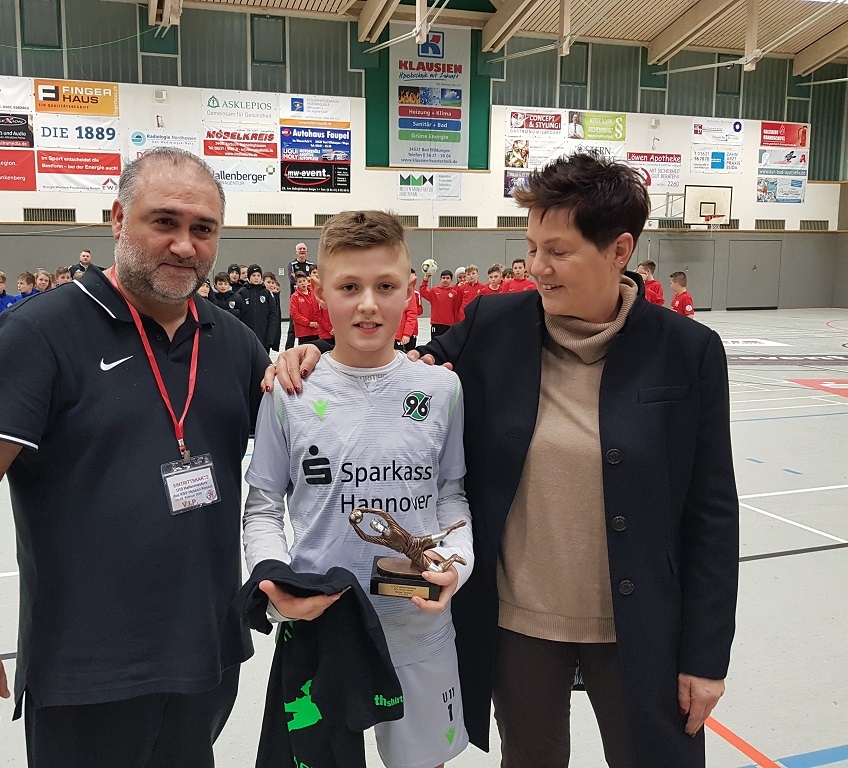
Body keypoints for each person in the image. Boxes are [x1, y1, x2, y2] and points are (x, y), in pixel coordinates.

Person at [270, 151, 739, 768]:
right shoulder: (494, 324)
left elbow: (712, 511)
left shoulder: (687, 351)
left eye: (558, 251)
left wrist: (706, 656)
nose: (536, 266)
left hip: (642, 623)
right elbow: (398, 370)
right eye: (532, 247)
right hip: (521, 625)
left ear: (619, 251)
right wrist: (311, 357)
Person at [0, 146, 271, 768]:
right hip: (86, 670)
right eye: (164, 221)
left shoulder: (234, 342)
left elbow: (299, 459)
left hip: (207, 656)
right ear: (117, 219)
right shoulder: (39, 333)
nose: (185, 245)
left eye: (203, 228)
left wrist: (311, 366)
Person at [244, 209, 473, 768]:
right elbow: (264, 507)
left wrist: (457, 565)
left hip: (418, 627)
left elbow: (450, 495)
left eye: (385, 286)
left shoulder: (441, 390)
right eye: (349, 287)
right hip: (322, 628)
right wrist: (275, 579)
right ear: (320, 293)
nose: (368, 304)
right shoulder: (289, 390)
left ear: (411, 291)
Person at [236, 264, 277, 351]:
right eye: (253, 275)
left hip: (263, 337)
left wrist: (270, 338)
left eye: (258, 275)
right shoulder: (242, 293)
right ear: (249, 276)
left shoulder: (267, 294)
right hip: (246, 336)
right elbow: (237, 315)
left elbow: (273, 315)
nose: (256, 278)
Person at [285, 242, 316, 350]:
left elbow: (313, 279)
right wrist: (305, 278)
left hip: (308, 297)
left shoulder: (310, 264)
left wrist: (303, 278)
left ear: (307, 251)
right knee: (292, 326)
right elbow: (292, 280)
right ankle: (289, 349)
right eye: (300, 249)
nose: (302, 250)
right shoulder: (292, 265)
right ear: (296, 251)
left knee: (310, 324)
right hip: (297, 299)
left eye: (304, 249)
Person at [419, 269, 461, 339]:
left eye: (447, 278)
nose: (445, 280)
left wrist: (456, 324)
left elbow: (456, 309)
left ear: (451, 280)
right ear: (440, 279)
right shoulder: (434, 290)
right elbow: (423, 292)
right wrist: (425, 280)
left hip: (449, 325)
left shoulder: (454, 293)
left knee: (447, 344)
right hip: (436, 324)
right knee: (435, 343)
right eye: (443, 278)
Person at [288, 271, 321, 345]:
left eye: (304, 280)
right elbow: (295, 314)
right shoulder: (294, 297)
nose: (303, 283)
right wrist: (308, 323)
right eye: (300, 282)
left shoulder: (314, 293)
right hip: (303, 332)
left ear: (307, 281)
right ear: (296, 284)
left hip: (317, 330)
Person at [263, 272, 283, 351]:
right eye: (268, 282)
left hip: (271, 330)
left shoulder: (274, 296)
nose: (271, 285)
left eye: (272, 283)